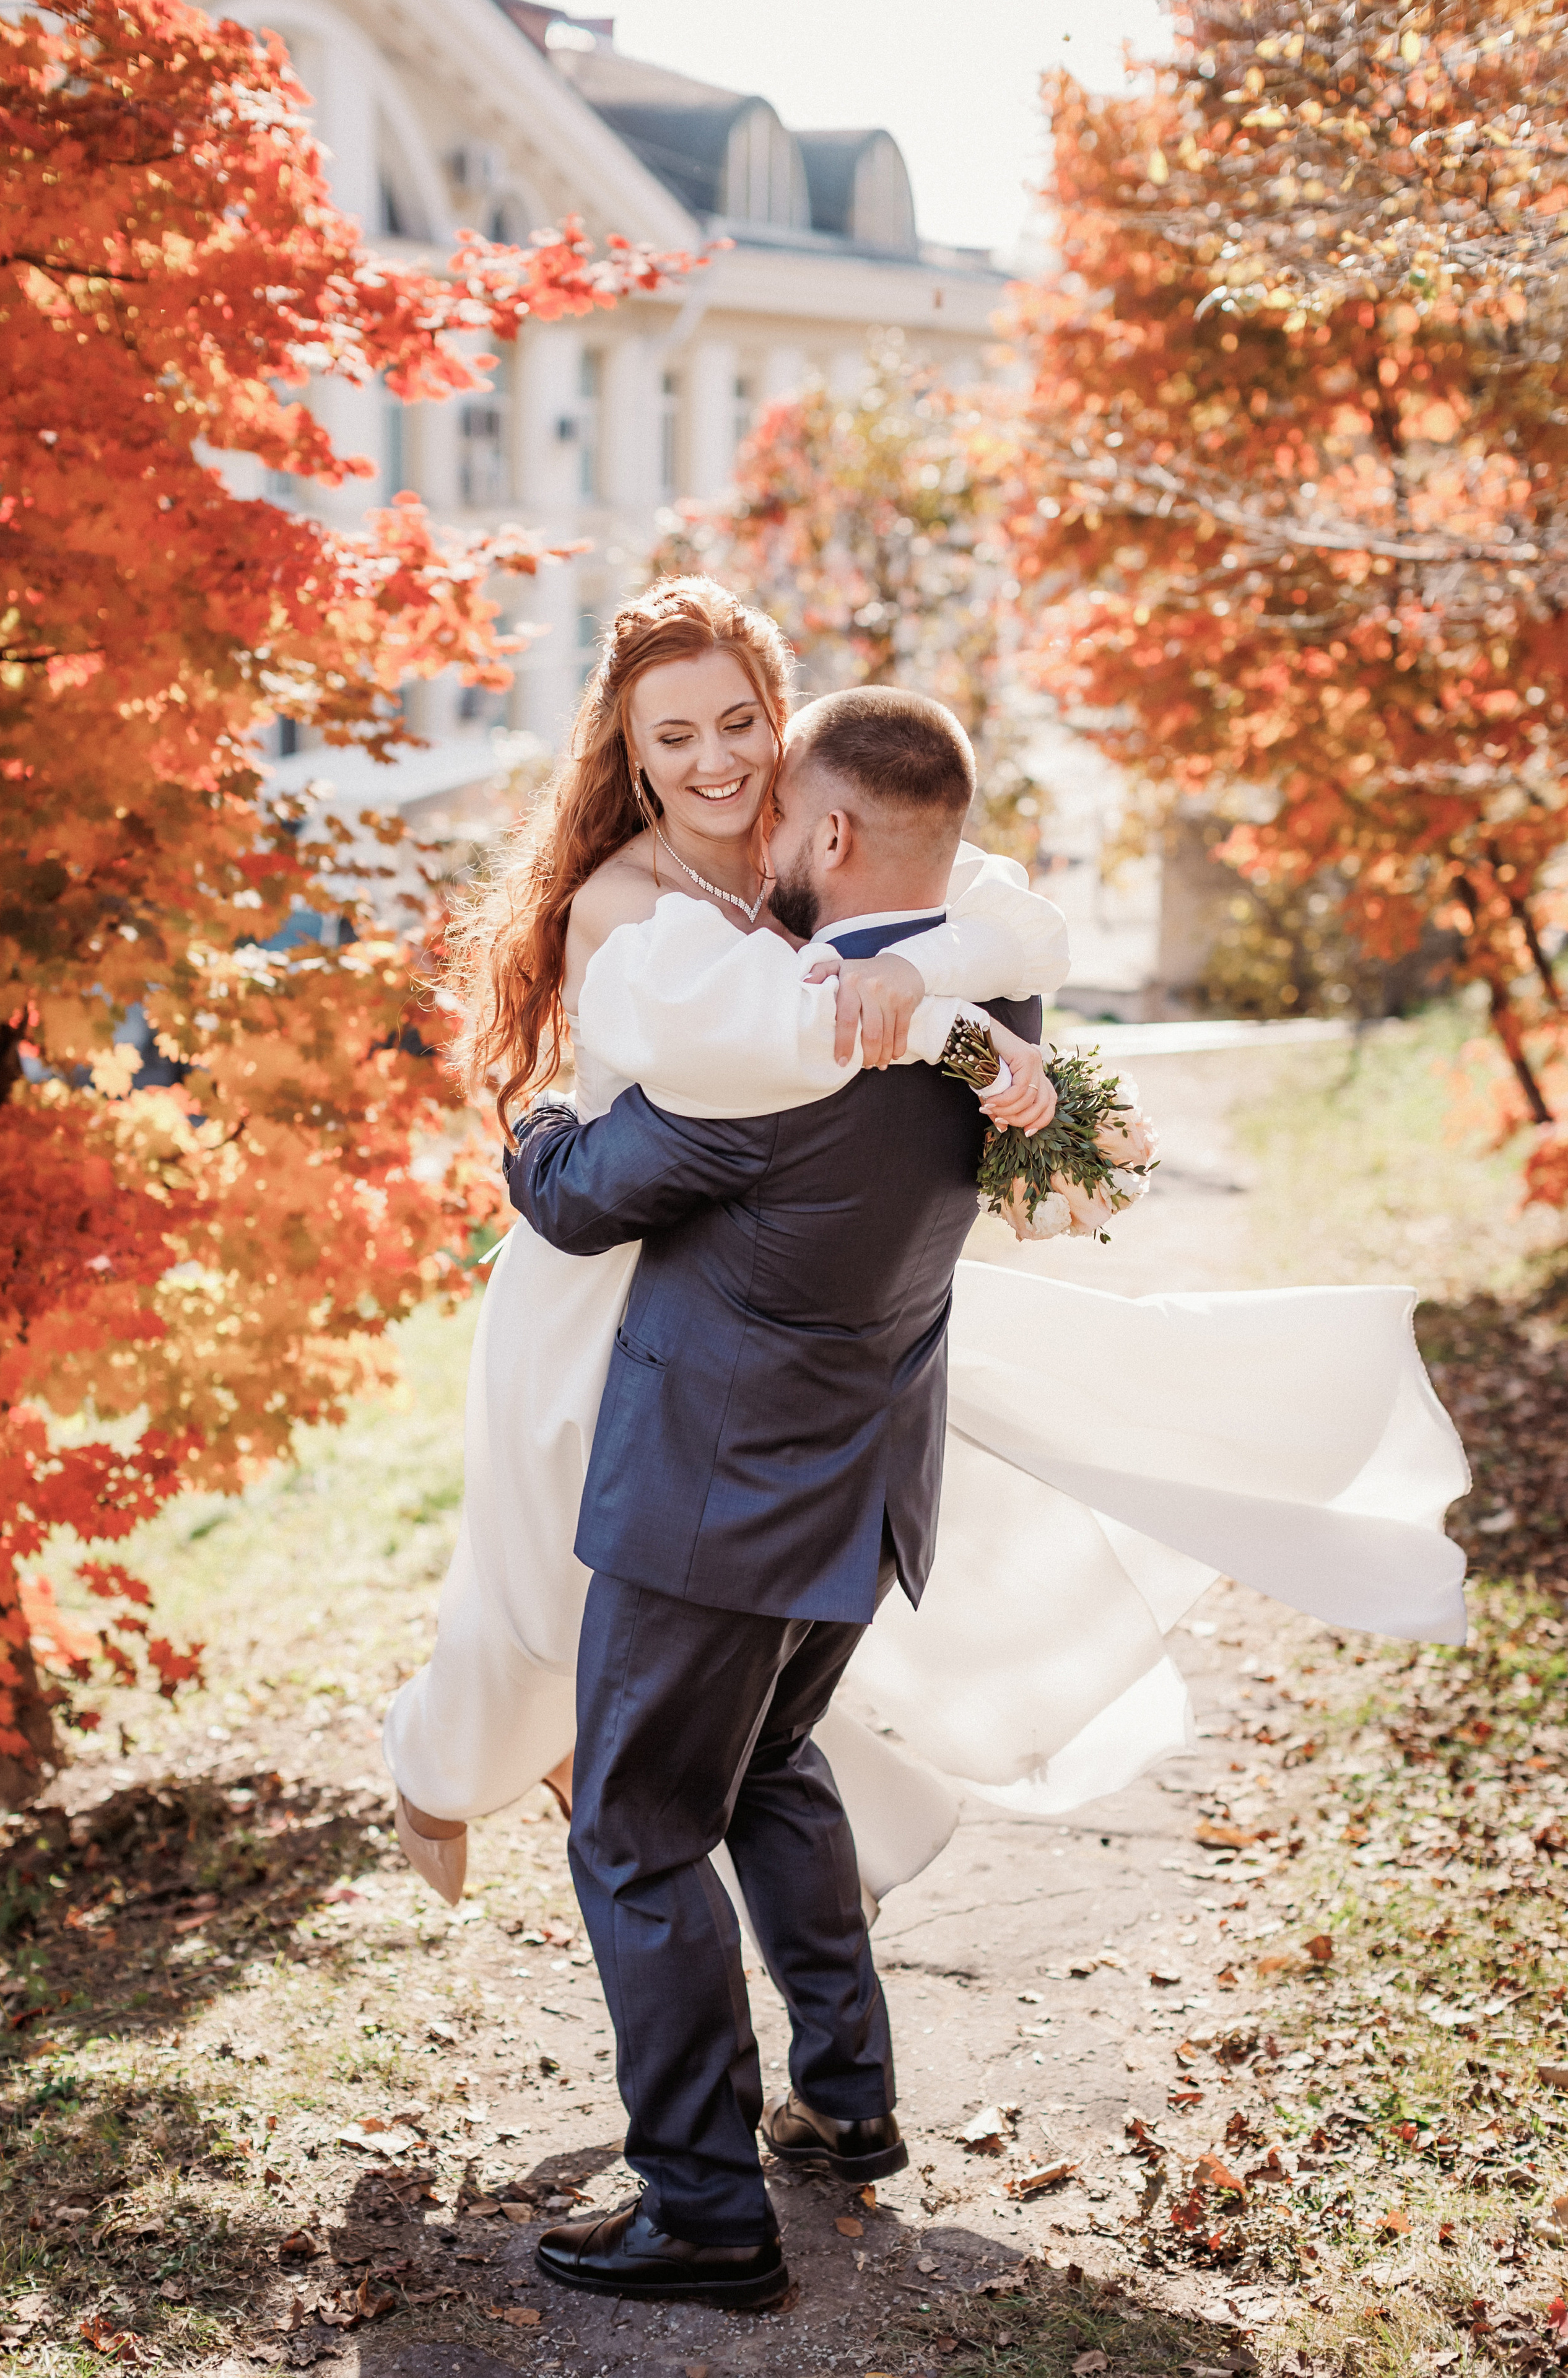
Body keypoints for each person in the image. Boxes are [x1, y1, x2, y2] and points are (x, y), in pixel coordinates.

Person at [384, 577, 1072, 1905]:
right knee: (543, 1597)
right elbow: (760, 1047)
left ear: (780, 717)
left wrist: (918, 970)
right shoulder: (622, 902)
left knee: (690, 1615)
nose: (714, 762)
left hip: (753, 1272)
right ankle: (441, 1763)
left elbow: (1018, 920)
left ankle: (730, 1819)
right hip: (602, 1274)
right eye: (674, 737)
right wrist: (937, 1018)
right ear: (629, 755)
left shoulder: (821, 834)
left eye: (737, 722)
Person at [501, 677, 1047, 2309]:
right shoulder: (1005, 1022)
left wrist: (535, 1114)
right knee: (769, 1768)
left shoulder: (773, 1046)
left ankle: (706, 2212)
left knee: (634, 1828)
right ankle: (853, 2102)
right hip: (860, 1499)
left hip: (711, 1509)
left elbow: (580, 1196)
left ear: (827, 832)